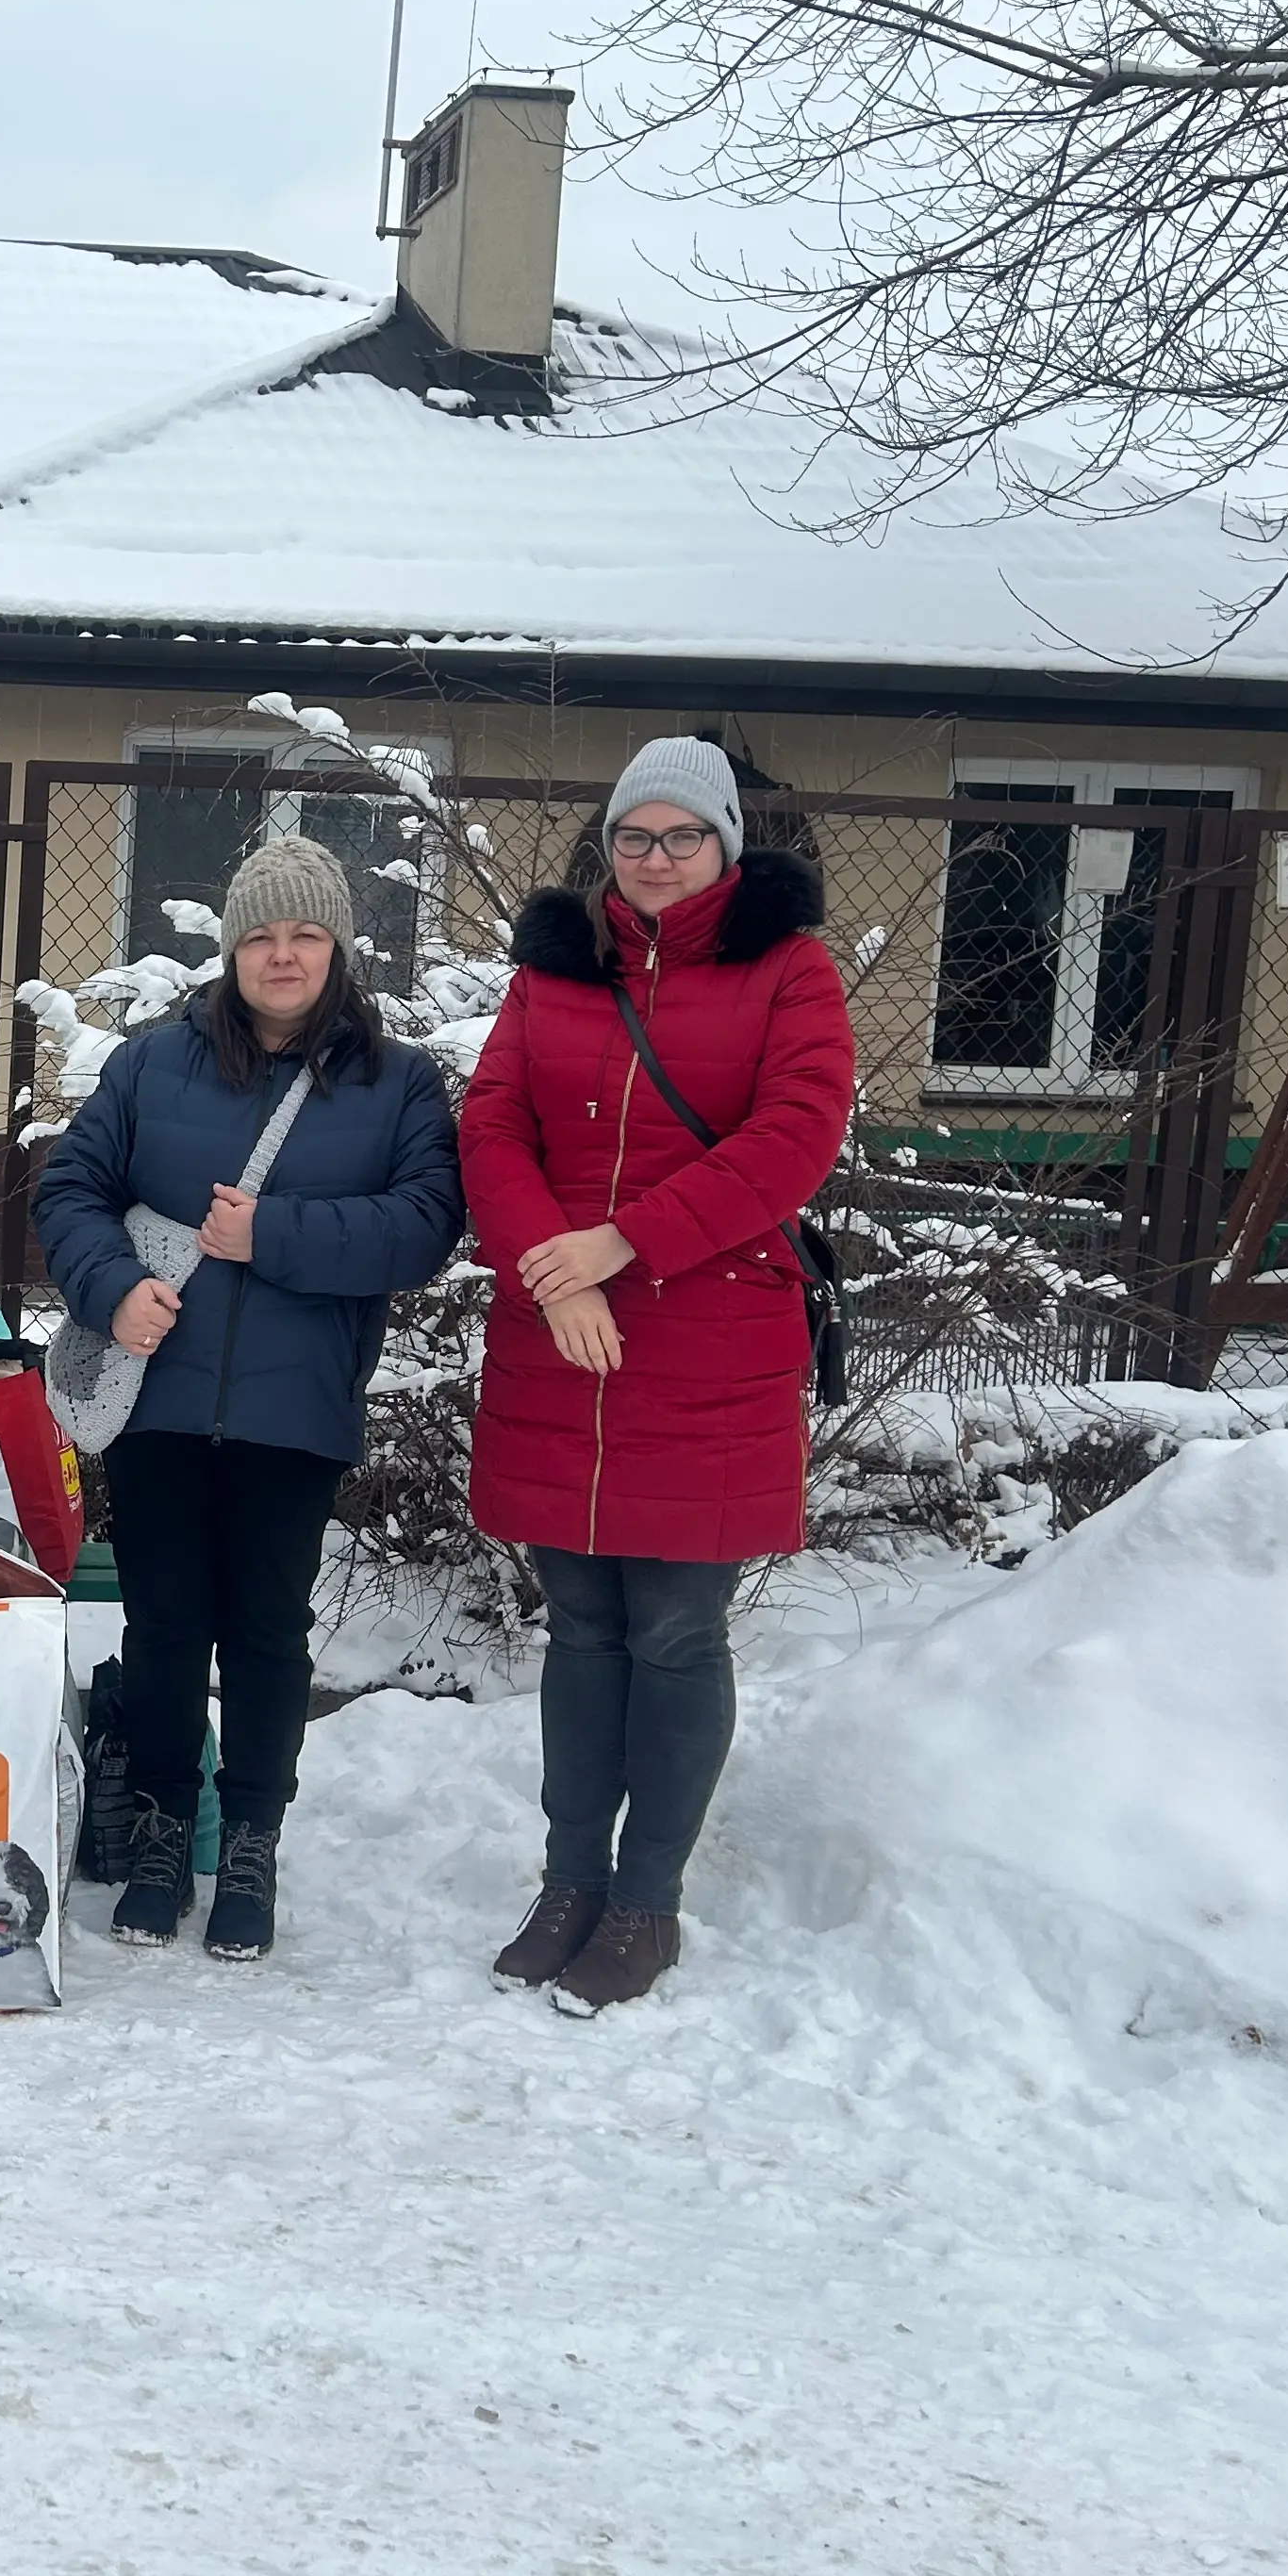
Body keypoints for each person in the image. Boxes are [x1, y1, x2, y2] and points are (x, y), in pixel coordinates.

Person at [457, 737, 856, 2013]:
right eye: (636, 836)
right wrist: (555, 1272)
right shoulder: (555, 973)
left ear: (728, 844)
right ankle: (570, 1879)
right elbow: (493, 1126)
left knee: (677, 1634)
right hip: (558, 1339)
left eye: (684, 836)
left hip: (710, 1344)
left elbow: (795, 1137)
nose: (657, 859)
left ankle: (646, 1901)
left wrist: (622, 1241)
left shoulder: (788, 970)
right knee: (580, 1628)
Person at [34, 833, 467, 1961]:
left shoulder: (398, 1081)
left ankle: (253, 1845)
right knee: (167, 1627)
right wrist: (114, 1287)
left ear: (338, 949)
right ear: (230, 949)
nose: (283, 956)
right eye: (262, 936)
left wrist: (268, 1234)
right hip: (160, 1400)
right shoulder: (151, 1065)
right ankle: (164, 1837)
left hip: (296, 1405)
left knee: (270, 1634)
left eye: (306, 934)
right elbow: (72, 1187)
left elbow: (424, 1225)